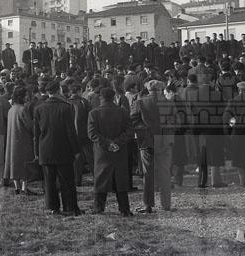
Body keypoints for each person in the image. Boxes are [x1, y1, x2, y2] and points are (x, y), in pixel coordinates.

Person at [33, 80, 82, 216]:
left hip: (45, 148)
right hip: (63, 148)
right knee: (67, 180)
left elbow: (36, 133)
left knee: (49, 182)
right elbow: (71, 132)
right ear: (59, 90)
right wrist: (76, 150)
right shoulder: (66, 108)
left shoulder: (39, 108)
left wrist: (36, 151)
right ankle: (70, 207)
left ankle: (52, 207)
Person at [87, 87, 133, 217]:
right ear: (114, 97)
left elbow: (92, 133)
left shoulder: (94, 113)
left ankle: (98, 207)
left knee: (101, 178)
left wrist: (108, 143)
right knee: (120, 179)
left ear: (100, 97)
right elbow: (129, 131)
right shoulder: (123, 112)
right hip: (119, 150)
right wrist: (117, 142)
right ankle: (124, 208)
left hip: (102, 151)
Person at [131, 80, 175, 213]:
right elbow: (175, 122)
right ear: (161, 89)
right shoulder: (169, 103)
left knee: (148, 174)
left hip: (147, 141)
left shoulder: (140, 102)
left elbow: (133, 121)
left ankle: (148, 205)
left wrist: (146, 131)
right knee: (165, 173)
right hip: (165, 141)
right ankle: (166, 205)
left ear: (148, 89)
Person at [4, 86, 37, 195]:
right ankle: (24, 188)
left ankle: (17, 187)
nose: (28, 97)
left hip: (12, 140)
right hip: (23, 140)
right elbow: (29, 126)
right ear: (22, 96)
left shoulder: (11, 109)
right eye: (26, 95)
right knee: (24, 164)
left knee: (14, 163)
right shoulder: (23, 109)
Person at [67, 83, 93, 186]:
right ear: (79, 91)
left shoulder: (67, 102)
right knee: (90, 157)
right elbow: (90, 117)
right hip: (84, 133)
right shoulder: (84, 102)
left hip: (72, 134)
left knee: (76, 158)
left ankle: (77, 180)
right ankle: (96, 177)